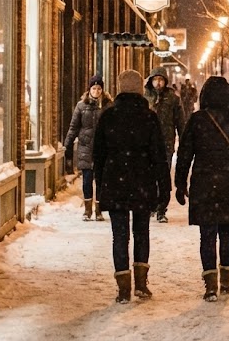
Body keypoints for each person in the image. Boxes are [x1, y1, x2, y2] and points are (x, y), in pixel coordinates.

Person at [174, 76, 229, 302]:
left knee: (207, 235)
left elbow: (185, 154)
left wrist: (180, 183)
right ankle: (226, 278)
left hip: (204, 182)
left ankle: (210, 284)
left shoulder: (196, 121)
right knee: (227, 231)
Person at [93, 70, 170, 304]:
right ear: (139, 90)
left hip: (115, 181)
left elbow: (99, 155)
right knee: (141, 232)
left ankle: (123, 288)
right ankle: (141, 284)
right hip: (142, 181)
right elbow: (159, 155)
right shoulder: (149, 117)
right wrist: (163, 186)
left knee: (120, 235)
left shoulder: (108, 117)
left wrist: (101, 182)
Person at [63, 75, 113, 221]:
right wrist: (68, 145)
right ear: (89, 90)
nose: (96, 91)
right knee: (86, 181)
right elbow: (73, 127)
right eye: (94, 88)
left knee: (100, 181)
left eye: (99, 88)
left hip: (102, 150)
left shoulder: (108, 106)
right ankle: (87, 210)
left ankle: (98, 210)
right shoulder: (81, 106)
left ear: (102, 90)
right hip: (85, 148)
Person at [145, 67, 185, 224]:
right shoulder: (145, 97)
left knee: (163, 177)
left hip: (166, 143)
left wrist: (183, 140)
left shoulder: (173, 99)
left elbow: (180, 122)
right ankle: (151, 205)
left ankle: (161, 208)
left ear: (166, 81)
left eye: (161, 79)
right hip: (147, 143)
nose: (158, 82)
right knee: (149, 177)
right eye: (155, 79)